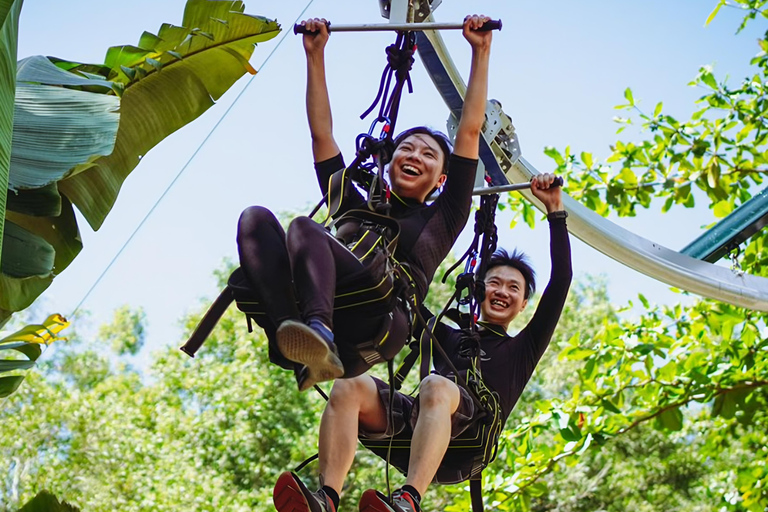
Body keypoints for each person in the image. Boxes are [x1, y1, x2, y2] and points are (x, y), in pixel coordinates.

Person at [273, 173, 572, 512]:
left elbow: (561, 281)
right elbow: (404, 305)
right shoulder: (448, 336)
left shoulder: (523, 349)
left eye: (513, 288)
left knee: (436, 385)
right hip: (416, 433)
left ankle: (409, 500)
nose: (502, 292)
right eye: (495, 283)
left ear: (522, 305)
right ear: (479, 290)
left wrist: (555, 211)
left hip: (467, 444)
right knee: (348, 386)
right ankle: (325, 499)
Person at [236, 14, 493, 393]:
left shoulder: (443, 215)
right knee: (254, 219)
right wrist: (314, 56)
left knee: (304, 229)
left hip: (379, 317)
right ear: (387, 163)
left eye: (427, 155)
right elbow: (321, 135)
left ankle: (316, 332)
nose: (415, 155)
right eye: (406, 148)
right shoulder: (355, 204)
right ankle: (297, 340)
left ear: (441, 179)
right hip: (335, 311)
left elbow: (470, 131)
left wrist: (481, 51)